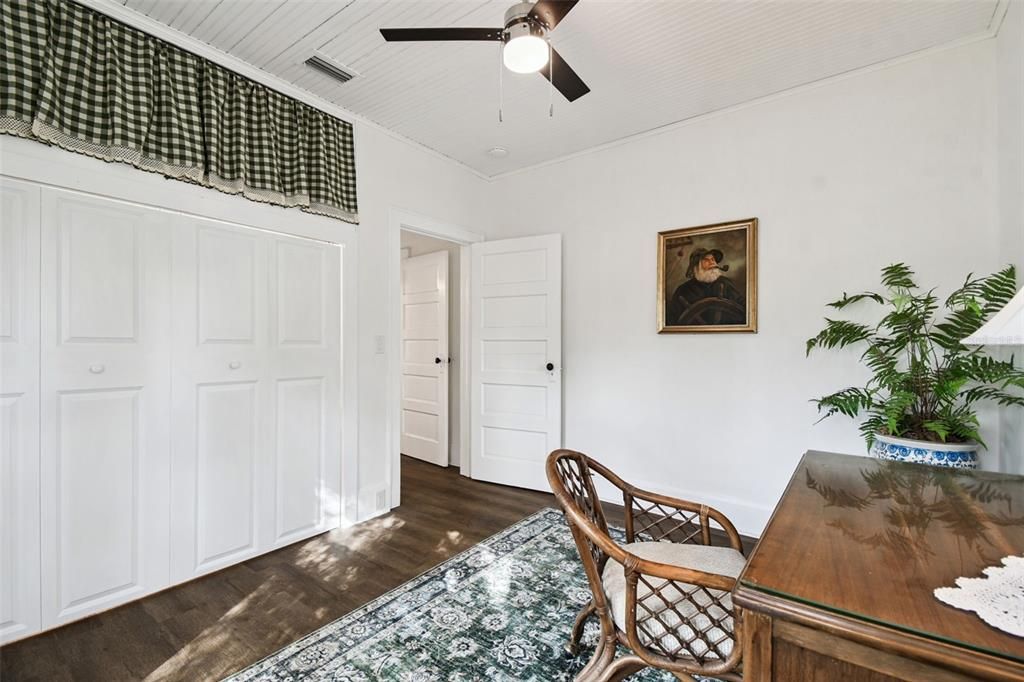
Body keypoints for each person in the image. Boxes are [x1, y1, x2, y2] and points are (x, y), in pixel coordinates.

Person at [667, 247, 746, 325]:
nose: (712, 262)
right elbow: (672, 320)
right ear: (697, 266)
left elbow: (742, 309)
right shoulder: (683, 290)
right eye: (706, 260)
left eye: (713, 259)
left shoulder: (726, 283)